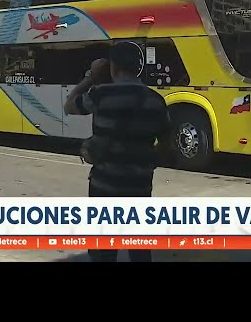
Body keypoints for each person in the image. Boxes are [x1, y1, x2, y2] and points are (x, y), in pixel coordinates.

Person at [63, 41, 171, 263]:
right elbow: (166, 149)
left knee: (103, 250)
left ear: (112, 66)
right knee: (140, 250)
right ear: (137, 67)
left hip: (104, 187)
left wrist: (90, 77)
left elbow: (69, 105)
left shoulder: (101, 94)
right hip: (140, 187)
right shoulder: (156, 101)